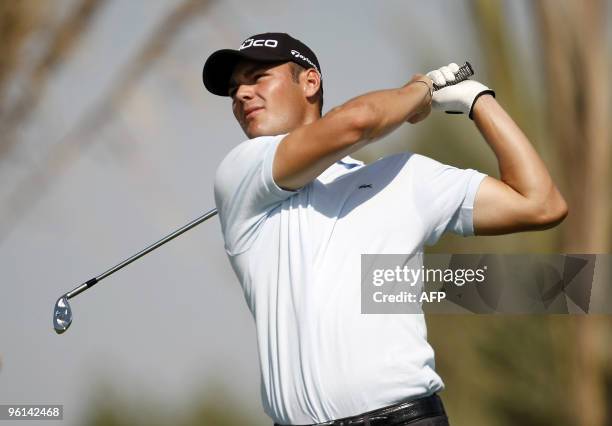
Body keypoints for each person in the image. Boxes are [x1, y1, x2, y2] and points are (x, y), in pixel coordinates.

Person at [202, 33, 567, 426]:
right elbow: (357, 122)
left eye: (257, 77)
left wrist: (477, 100)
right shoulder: (240, 172)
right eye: (234, 88)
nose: (241, 94)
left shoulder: (404, 178)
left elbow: (541, 203)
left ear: (309, 82)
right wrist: (420, 89)